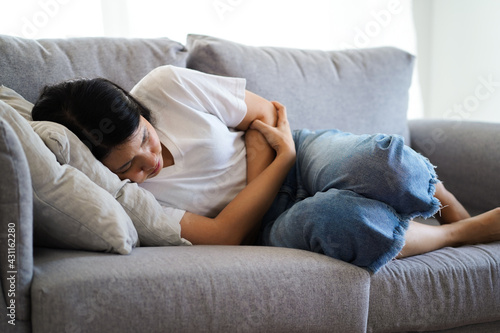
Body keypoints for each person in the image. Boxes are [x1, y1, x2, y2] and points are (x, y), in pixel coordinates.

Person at [31, 65, 500, 273]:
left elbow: (271, 113)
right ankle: (456, 235)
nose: (150, 163)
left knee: (379, 161)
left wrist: (287, 155)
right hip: (265, 222)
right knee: (344, 221)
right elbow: (227, 236)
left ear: (138, 109)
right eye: (129, 166)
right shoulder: (121, 198)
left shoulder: (167, 86)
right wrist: (272, 167)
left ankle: (451, 206)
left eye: (147, 141)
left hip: (300, 149)